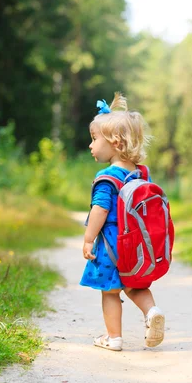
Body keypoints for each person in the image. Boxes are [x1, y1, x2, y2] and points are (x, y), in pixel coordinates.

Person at [80, 93, 165, 351]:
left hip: (111, 246)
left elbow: (100, 210)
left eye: (95, 139)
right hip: (136, 245)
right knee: (135, 285)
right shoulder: (141, 172)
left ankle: (113, 337)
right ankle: (152, 312)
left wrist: (88, 238)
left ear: (115, 142)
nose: (91, 145)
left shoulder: (108, 176)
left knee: (110, 291)